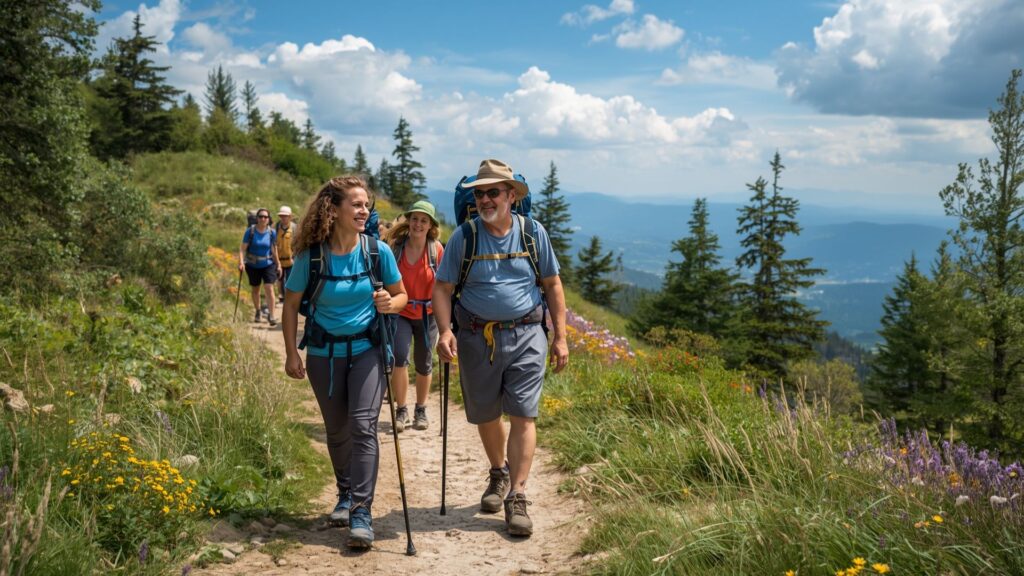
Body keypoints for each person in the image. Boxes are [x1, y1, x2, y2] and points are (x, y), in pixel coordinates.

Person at [433, 159, 568, 538]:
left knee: (524, 414)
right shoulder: (465, 237)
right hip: (476, 337)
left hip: (527, 334)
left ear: (512, 195)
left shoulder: (533, 233)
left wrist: (560, 337)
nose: (485, 199)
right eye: (479, 193)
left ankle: (517, 495)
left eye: (493, 192)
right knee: (486, 414)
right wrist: (444, 331)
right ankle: (499, 471)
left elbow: (552, 284)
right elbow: (442, 288)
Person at [281, 176, 407, 550]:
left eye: (366, 204)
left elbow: (402, 295)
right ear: (333, 210)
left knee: (363, 426)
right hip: (324, 355)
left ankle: (361, 512)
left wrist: (390, 303)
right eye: (356, 204)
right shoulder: (311, 257)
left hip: (368, 351)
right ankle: (346, 492)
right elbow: (290, 305)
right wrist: (291, 352)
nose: (364, 210)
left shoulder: (377, 252)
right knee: (337, 431)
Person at [385, 200, 444, 432]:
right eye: (415, 219)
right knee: (399, 357)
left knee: (424, 361)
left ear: (430, 226)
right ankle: (401, 409)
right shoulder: (396, 248)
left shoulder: (436, 250)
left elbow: (445, 284)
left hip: (428, 314)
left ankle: (421, 409)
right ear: (408, 221)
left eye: (423, 221)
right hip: (401, 311)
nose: (418, 224)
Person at [239, 207, 282, 326]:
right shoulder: (250, 231)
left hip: (268, 264)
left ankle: (271, 315)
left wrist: (278, 264)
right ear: (257, 218)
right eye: (261, 216)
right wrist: (241, 262)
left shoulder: (272, 233)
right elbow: (242, 249)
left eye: (265, 217)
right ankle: (258, 311)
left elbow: (274, 250)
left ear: (268, 219)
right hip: (252, 265)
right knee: (255, 289)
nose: (263, 219)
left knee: (269, 288)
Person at [275, 205, 297, 303]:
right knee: (279, 279)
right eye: (281, 216)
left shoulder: (294, 227)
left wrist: (294, 257)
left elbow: (298, 243)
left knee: (290, 280)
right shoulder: (276, 227)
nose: (283, 218)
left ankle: (288, 298)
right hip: (278, 260)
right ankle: (282, 297)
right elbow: (273, 243)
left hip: (291, 259)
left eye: (285, 216)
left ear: (290, 216)